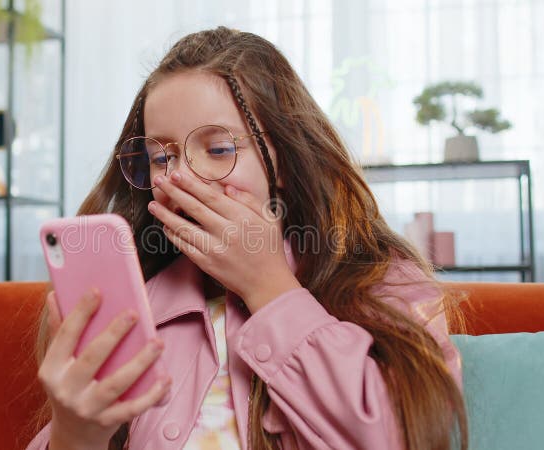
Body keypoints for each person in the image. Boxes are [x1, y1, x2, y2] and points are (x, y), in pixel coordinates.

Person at [26, 26, 467, 450]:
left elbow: (408, 435)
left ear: (285, 159)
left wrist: (268, 288)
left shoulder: (383, 280)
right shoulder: (133, 304)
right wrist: (77, 436)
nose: (181, 178)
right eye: (161, 157)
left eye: (218, 150)